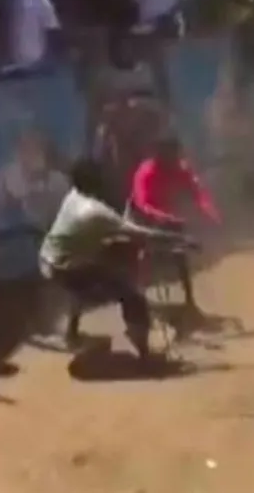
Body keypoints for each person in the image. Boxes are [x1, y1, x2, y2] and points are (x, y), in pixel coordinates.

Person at [41, 158, 192, 360]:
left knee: (97, 269)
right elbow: (139, 233)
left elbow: (100, 231)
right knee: (132, 296)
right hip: (66, 267)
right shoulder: (95, 211)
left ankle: (72, 332)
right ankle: (145, 354)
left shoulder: (73, 196)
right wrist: (179, 238)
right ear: (95, 182)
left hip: (49, 260)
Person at [126, 138, 219, 311]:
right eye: (170, 157)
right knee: (144, 255)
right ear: (159, 156)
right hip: (140, 216)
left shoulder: (180, 168)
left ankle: (190, 301)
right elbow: (143, 204)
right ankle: (139, 298)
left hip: (167, 214)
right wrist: (163, 218)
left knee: (180, 254)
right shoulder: (145, 172)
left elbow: (198, 192)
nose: (174, 160)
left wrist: (208, 211)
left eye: (175, 156)